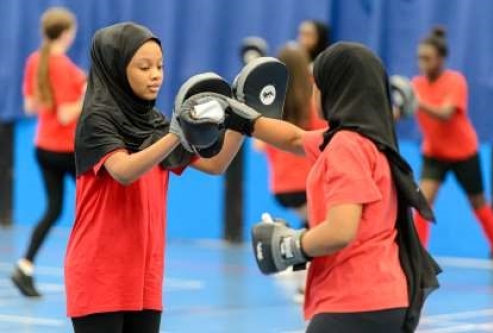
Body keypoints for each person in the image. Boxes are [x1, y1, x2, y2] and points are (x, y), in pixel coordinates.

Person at [219, 42, 439, 332]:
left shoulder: (345, 146)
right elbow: (295, 139)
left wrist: (291, 244)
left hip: (354, 301)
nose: (312, 92)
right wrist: (238, 116)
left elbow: (340, 230)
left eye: (316, 85)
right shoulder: (370, 139)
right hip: (388, 298)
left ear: (334, 89)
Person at [64, 22, 243, 333]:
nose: (156, 74)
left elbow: (216, 165)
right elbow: (123, 171)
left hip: (145, 274)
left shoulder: (156, 122)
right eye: (144, 67)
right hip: (99, 273)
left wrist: (241, 118)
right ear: (116, 69)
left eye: (160, 66)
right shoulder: (96, 119)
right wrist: (176, 134)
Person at [12, 7, 86, 297]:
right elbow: (67, 114)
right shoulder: (63, 66)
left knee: (54, 209)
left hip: (43, 146)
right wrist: (86, 93)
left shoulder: (35, 60)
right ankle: (86, 270)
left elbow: (31, 106)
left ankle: (25, 265)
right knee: (92, 209)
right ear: (67, 33)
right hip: (66, 149)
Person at [412, 27, 493, 260]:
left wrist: (417, 101)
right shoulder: (416, 84)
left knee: (479, 204)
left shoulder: (455, 81)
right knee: (422, 203)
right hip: (434, 154)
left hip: (464, 153)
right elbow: (399, 111)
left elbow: (446, 113)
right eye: (419, 58)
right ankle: (417, 258)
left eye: (427, 58)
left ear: (440, 59)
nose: (422, 63)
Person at [254, 44, 326, 228]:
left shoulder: (271, 100)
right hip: (310, 184)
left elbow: (258, 146)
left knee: (312, 226)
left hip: (282, 187)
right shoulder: (315, 97)